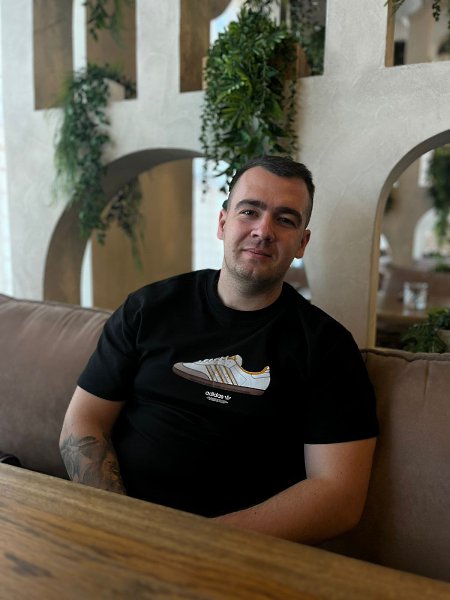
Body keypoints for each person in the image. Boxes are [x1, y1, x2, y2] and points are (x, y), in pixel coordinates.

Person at [60, 155, 378, 545]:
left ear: (302, 243)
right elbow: (83, 422)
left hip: (234, 551)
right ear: (223, 223)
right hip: (115, 530)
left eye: (285, 219)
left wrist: (193, 543)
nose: (263, 230)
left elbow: (339, 498)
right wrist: (119, 523)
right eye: (250, 211)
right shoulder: (148, 309)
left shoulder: (326, 347)